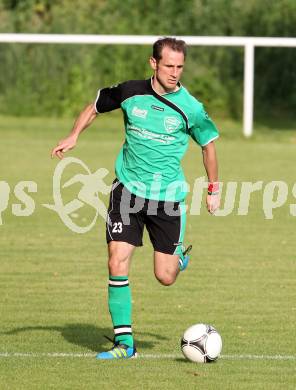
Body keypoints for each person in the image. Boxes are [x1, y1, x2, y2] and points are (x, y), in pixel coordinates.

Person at [51, 37, 220, 360]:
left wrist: (214, 189)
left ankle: (178, 259)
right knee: (117, 260)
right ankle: (124, 344)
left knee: (165, 276)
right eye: (168, 65)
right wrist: (74, 135)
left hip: (167, 199)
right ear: (153, 63)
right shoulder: (131, 92)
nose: (174, 72)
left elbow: (208, 144)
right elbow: (96, 106)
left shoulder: (191, 107)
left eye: (180, 66)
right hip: (127, 191)